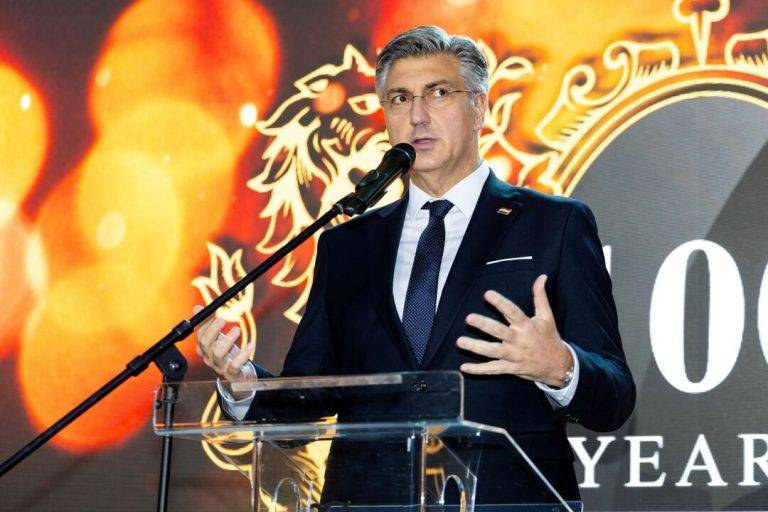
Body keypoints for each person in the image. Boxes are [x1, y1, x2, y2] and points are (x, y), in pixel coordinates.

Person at [195, 25, 635, 504]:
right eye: (400, 99)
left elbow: (614, 398)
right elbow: (307, 402)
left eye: (439, 93)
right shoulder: (347, 245)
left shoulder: (554, 224)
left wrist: (560, 367)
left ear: (480, 107)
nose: (418, 116)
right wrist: (244, 385)